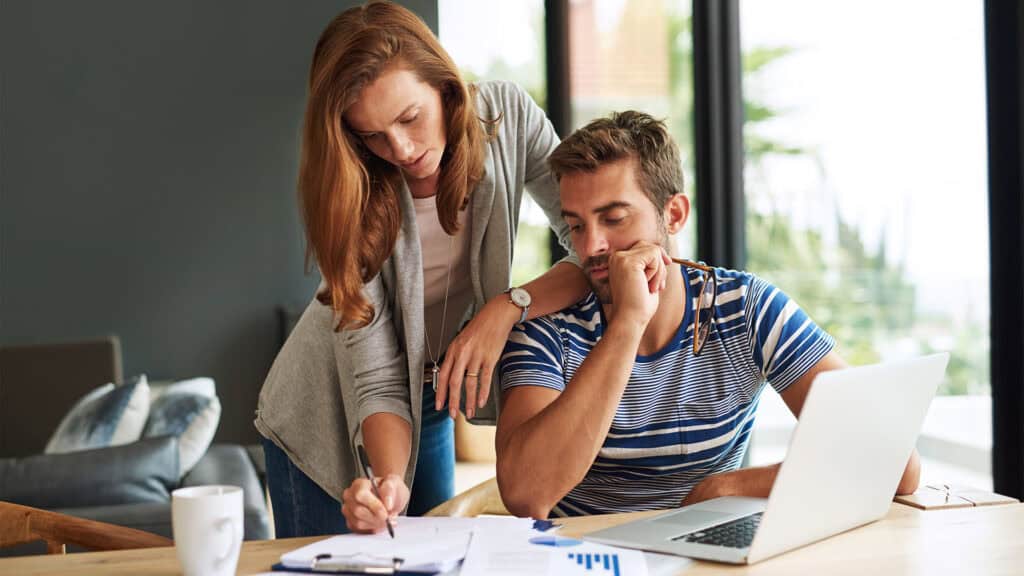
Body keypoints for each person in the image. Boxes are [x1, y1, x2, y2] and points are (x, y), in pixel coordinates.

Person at [255, 1, 586, 536]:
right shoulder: (353, 194)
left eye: (410, 117)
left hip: (428, 396)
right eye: (373, 135)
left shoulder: (506, 118)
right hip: (322, 415)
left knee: (434, 557)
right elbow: (377, 375)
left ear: (444, 87)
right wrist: (388, 482)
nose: (401, 149)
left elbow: (586, 243)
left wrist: (509, 306)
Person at [495, 111, 921, 518]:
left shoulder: (746, 308)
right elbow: (525, 495)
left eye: (614, 219)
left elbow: (896, 463)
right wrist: (628, 324)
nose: (591, 247)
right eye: (577, 226)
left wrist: (726, 488)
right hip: (584, 559)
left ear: (674, 214)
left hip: (706, 559)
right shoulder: (547, 329)